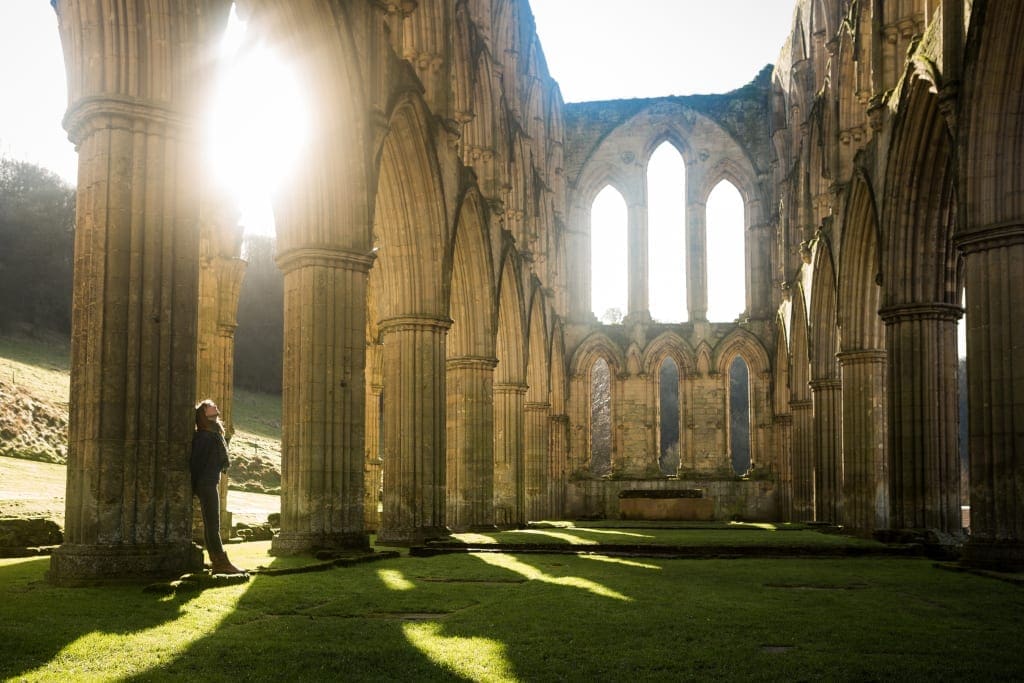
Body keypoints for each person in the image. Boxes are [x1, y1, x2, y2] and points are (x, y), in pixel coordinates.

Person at [191, 399, 243, 574]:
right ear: (204, 414)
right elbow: (196, 462)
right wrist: (194, 487)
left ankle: (217, 561)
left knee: (211, 524)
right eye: (210, 405)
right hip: (205, 483)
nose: (216, 407)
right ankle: (220, 562)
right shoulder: (204, 437)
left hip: (209, 482)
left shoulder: (213, 435)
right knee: (213, 525)